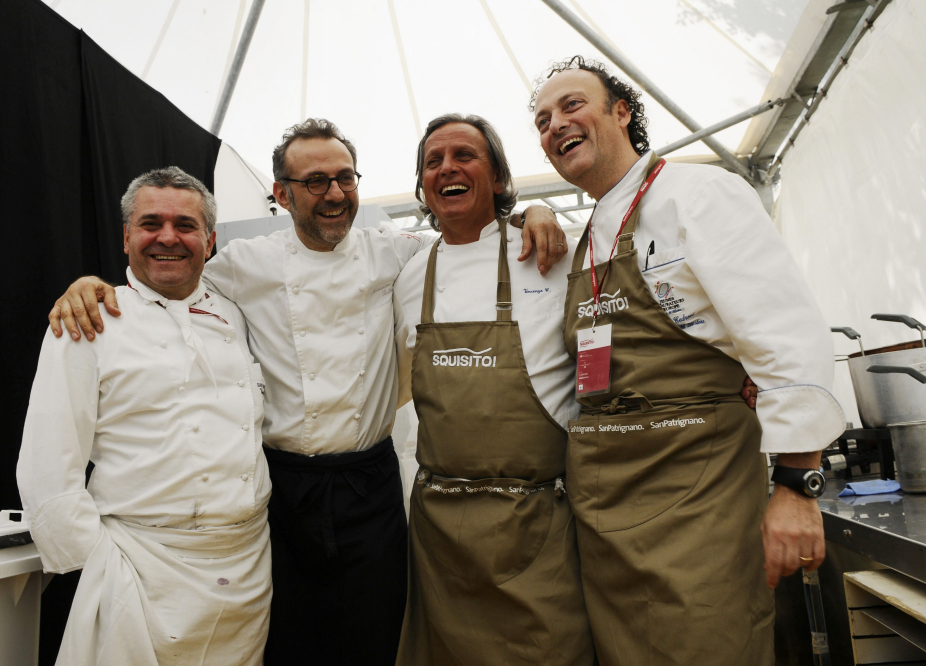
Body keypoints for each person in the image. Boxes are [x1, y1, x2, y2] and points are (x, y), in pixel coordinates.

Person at [45, 119, 567, 665]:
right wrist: (94, 284)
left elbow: (468, 241)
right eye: (315, 182)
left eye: (345, 178)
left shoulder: (397, 252)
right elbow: (169, 271)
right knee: (291, 642)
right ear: (282, 193)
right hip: (285, 489)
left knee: (377, 636)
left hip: (370, 487)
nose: (334, 194)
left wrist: (533, 210)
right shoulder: (241, 266)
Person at [530, 56, 846, 665]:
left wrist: (795, 486)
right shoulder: (586, 233)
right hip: (605, 502)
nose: (556, 125)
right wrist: (531, 211)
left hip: (697, 488)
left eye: (572, 105)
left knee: (708, 645)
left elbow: (787, 337)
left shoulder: (698, 194)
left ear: (622, 112)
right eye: (543, 120)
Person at [17, 167, 272, 666]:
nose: (168, 238)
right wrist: (101, 564)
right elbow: (48, 465)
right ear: (128, 236)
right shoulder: (87, 321)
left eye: (186, 225)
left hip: (247, 564)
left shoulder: (236, 315)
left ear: (210, 240)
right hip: (141, 567)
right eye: (151, 223)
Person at [391, 114, 596, 665]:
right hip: (441, 534)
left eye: (465, 156)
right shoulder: (411, 275)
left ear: (501, 180)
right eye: (432, 162)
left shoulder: (554, 254)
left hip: (536, 526)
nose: (447, 169)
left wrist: (541, 210)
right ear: (422, 187)